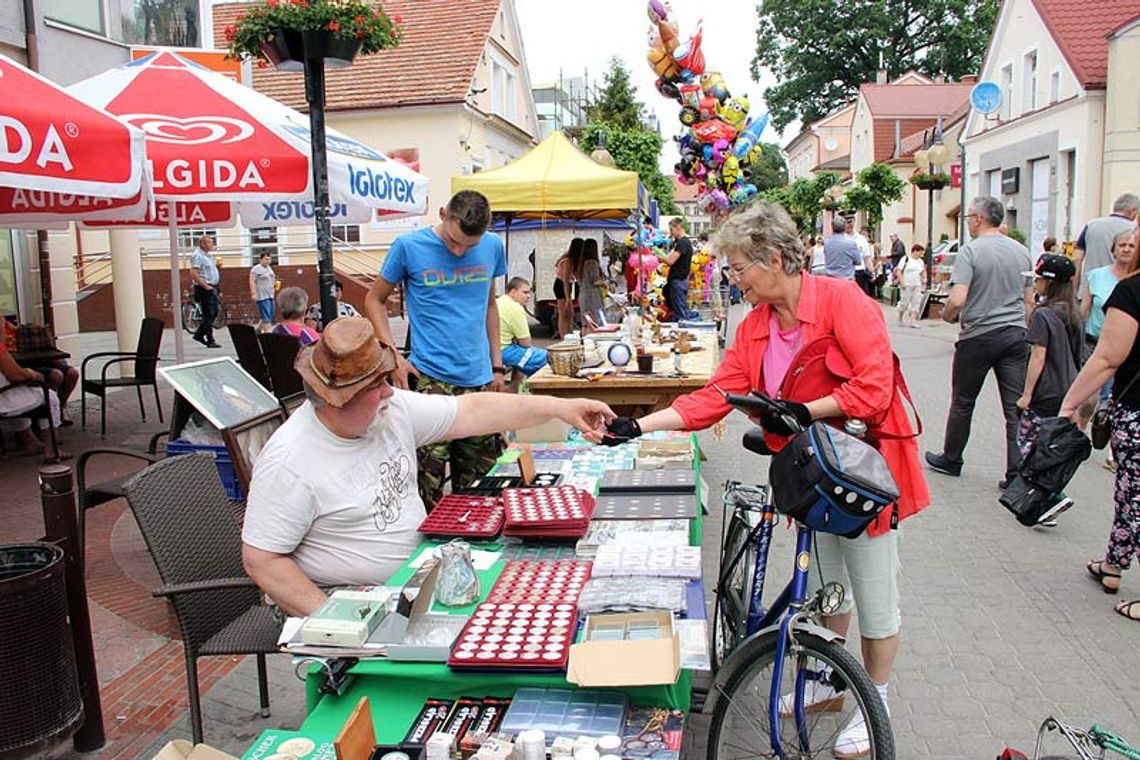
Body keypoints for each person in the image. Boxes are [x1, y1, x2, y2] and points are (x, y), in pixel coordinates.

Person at [591, 200, 929, 758]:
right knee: (828, 584)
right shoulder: (754, 327)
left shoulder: (843, 301)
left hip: (865, 472)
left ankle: (878, 699)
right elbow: (716, 397)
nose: (733, 279)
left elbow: (874, 388)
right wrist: (640, 425)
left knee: (875, 595)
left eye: (739, 267)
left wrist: (803, 410)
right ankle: (824, 681)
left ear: (774, 259)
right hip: (814, 473)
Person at [240, 317, 614, 616]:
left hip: (419, 575)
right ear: (339, 399)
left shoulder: (389, 409)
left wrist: (559, 407)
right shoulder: (289, 460)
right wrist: (332, 621)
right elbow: (263, 561)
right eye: (376, 385)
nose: (390, 391)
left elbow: (472, 410)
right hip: (353, 599)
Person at [363, 190, 508, 509]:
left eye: (469, 246)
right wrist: (393, 357)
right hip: (431, 380)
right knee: (425, 485)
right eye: (454, 241)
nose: (459, 251)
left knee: (481, 490)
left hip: (480, 380)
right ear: (443, 213)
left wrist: (497, 366)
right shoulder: (408, 246)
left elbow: (489, 304)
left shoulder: (493, 246)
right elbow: (373, 300)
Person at [1059, 228, 1140, 620]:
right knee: (1129, 492)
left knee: (1135, 495)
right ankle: (1114, 561)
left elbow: (1108, 357)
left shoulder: (1132, 291)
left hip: (1138, 413)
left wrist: (1070, 402)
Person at [926, 196, 1034, 486]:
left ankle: (952, 458)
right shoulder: (1022, 252)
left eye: (969, 218)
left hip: (978, 336)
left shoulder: (971, 251)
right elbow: (1029, 301)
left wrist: (948, 316)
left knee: (963, 401)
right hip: (1014, 334)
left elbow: (958, 298)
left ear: (977, 219)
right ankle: (1016, 474)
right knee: (1014, 409)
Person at [1010, 254, 1083, 526]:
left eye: (1039, 279)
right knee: (1050, 444)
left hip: (1045, 391)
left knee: (1030, 444)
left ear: (1049, 283)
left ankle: (1048, 498)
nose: (1036, 284)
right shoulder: (1073, 313)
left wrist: (1027, 394)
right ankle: (1045, 498)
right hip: (1068, 389)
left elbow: (1038, 357)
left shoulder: (1043, 315)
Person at [1080, 229, 1137, 447]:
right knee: (1089, 398)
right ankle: (1079, 434)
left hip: (1128, 351)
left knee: (1115, 399)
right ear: (1113, 249)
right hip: (1095, 343)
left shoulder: (1135, 282)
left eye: (1131, 246)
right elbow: (1083, 311)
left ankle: (1114, 445)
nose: (1126, 249)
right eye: (1122, 245)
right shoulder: (1097, 276)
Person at [0, 341, 67, 462]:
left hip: (5, 397)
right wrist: (33, 374)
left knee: (21, 395)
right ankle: (51, 450)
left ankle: (31, 442)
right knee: (50, 397)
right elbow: (15, 375)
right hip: (3, 399)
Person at [1075, 193, 1139, 293]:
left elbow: (1078, 259)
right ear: (1133, 212)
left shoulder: (1091, 225)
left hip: (1089, 290)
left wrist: (1076, 288)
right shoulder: (1135, 230)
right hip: (1122, 292)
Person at [498, 277, 548, 389]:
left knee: (523, 356)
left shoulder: (499, 301)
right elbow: (526, 342)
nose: (528, 296)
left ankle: (514, 389)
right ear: (513, 292)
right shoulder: (515, 308)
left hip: (492, 349)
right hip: (504, 350)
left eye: (529, 293)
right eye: (525, 292)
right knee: (548, 358)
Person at [187, 235, 221, 348]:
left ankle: (200, 334)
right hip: (205, 288)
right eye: (209, 243)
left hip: (213, 286)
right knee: (208, 313)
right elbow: (193, 272)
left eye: (212, 242)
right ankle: (210, 339)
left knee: (215, 312)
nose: (212, 245)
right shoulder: (198, 255)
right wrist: (205, 286)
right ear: (202, 244)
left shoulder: (208, 256)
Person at [664, 219, 695, 321]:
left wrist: (659, 257)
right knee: (680, 309)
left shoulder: (683, 243)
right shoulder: (684, 242)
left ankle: (684, 332)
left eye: (671, 229)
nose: (671, 233)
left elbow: (670, 261)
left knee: (680, 312)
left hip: (678, 281)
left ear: (678, 227)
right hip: (681, 281)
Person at [554, 238, 584, 338]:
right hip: (561, 285)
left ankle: (569, 334)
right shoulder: (567, 261)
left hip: (567, 285)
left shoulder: (570, 259)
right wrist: (568, 299)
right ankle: (564, 337)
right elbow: (565, 280)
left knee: (569, 313)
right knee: (563, 313)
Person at [894, 244, 927, 328]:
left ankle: (913, 321)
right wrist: (902, 281)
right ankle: (900, 317)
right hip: (907, 284)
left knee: (916, 303)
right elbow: (899, 270)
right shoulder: (906, 259)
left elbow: (923, 271)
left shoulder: (920, 261)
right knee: (904, 302)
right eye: (920, 253)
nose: (921, 255)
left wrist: (924, 279)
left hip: (917, 284)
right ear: (915, 251)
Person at [577, 239, 606, 333]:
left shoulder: (581, 264)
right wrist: (604, 283)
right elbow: (595, 280)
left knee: (586, 322)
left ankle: (584, 341)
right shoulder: (593, 263)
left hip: (583, 295)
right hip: (593, 297)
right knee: (595, 322)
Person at [822, 216, 861, 280]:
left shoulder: (827, 243)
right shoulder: (851, 243)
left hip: (831, 279)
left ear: (832, 227)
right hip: (846, 280)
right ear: (845, 227)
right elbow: (858, 261)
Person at [249, 252, 276, 333]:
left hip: (270, 294)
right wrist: (253, 293)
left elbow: (272, 278)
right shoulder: (256, 269)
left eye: (269, 259)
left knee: (270, 314)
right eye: (266, 259)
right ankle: (268, 333)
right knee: (266, 316)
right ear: (261, 259)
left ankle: (258, 329)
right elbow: (252, 281)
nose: (268, 261)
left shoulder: (269, 268)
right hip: (262, 296)